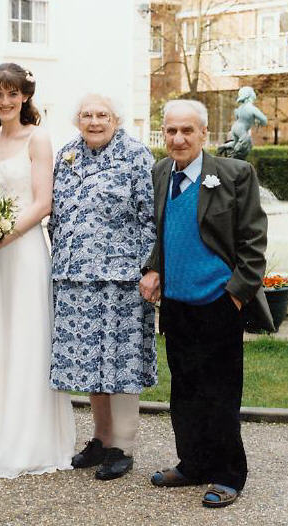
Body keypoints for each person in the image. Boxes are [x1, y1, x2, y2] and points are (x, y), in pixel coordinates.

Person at [140, 99, 273, 507]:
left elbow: (253, 241)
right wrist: (154, 269)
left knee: (219, 391)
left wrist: (234, 294)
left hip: (219, 301)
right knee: (185, 388)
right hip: (177, 304)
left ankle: (228, 474)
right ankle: (193, 463)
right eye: (171, 131)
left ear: (203, 134)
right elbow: (163, 232)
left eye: (187, 131)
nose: (178, 139)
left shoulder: (235, 174)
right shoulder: (161, 172)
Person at [0, 63, 75, 478]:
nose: (4, 102)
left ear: (25, 96)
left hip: (24, 252)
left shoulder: (38, 137)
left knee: (27, 340)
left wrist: (0, 239)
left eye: (12, 94)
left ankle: (28, 441)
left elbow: (43, 203)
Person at [48, 93, 157, 481]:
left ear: (116, 119)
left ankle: (122, 446)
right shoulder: (66, 155)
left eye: (102, 115)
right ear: (76, 119)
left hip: (121, 278)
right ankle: (100, 438)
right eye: (87, 115)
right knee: (92, 363)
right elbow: (56, 215)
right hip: (74, 275)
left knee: (120, 360)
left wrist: (150, 269)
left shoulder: (135, 155)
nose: (94, 121)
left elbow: (150, 216)